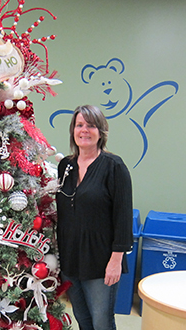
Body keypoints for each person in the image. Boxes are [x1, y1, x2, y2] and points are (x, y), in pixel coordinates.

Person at [56, 105, 133, 330]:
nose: (84, 130)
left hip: (101, 262)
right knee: (83, 319)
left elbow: (123, 217)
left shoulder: (114, 167)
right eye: (79, 125)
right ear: (73, 131)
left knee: (102, 322)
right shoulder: (66, 166)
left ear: (101, 132)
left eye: (90, 125)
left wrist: (115, 262)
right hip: (70, 260)